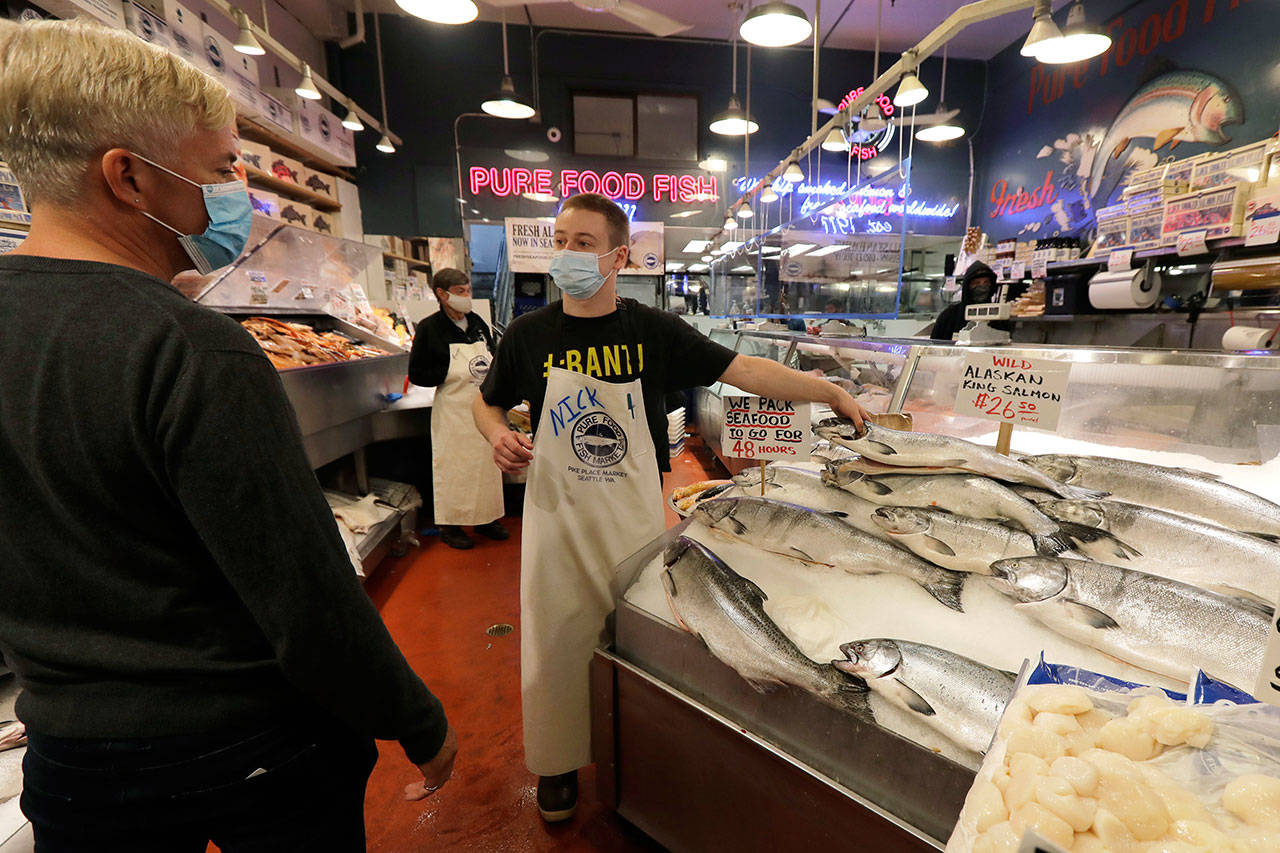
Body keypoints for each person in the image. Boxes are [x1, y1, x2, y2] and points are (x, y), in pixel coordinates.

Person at [0, 19, 455, 850]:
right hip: (248, 748)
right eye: (218, 170)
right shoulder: (190, 344)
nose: (235, 192)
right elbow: (306, 594)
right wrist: (416, 718)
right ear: (128, 176)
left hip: (70, 756)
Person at [472, 192, 868, 823]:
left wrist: (826, 390)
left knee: (639, 636)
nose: (567, 253)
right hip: (557, 516)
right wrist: (496, 434)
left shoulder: (650, 331)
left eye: (582, 242)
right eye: (560, 239)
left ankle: (635, 754)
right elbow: (487, 401)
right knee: (554, 636)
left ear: (617, 256)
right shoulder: (528, 335)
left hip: (631, 515)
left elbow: (745, 370)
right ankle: (555, 762)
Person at [409, 268, 506, 550]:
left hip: (482, 405)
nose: (467, 297)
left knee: (485, 466)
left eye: (468, 291)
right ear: (442, 294)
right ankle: (451, 526)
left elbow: (492, 355)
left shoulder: (476, 322)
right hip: (452, 410)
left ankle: (486, 519)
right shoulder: (429, 328)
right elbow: (417, 373)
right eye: (461, 292)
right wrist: (451, 370)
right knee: (454, 468)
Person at [930, 261, 1008, 341]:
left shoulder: (997, 315)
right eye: (976, 283)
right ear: (967, 287)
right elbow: (933, 345)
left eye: (986, 282)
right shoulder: (950, 315)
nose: (982, 287)